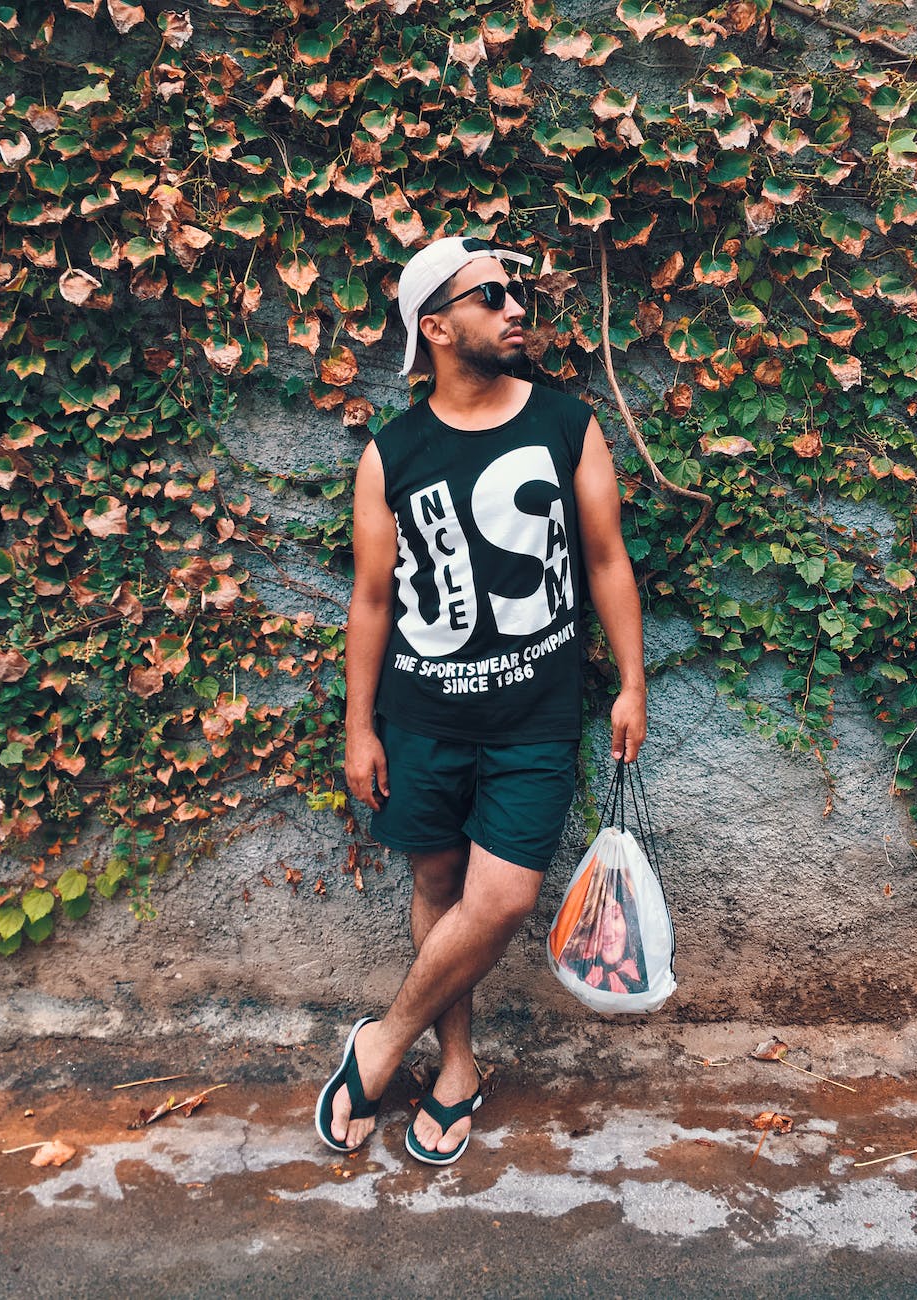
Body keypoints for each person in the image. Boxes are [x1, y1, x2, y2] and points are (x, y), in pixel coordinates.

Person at [315, 234, 647, 1166]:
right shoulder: (392, 454)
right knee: (435, 887)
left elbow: (606, 559)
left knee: (498, 899)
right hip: (422, 717)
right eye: (491, 295)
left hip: (533, 722)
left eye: (515, 292)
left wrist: (630, 679)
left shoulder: (564, 423)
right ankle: (455, 1067)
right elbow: (373, 600)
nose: (514, 308)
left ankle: (377, 1047)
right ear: (436, 326)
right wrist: (359, 729)